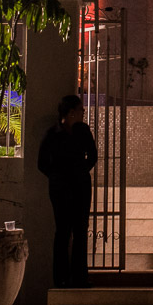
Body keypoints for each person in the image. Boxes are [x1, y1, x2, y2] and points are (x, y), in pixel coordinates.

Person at [37, 94, 97, 288]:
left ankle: (79, 278)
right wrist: (58, 177)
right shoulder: (52, 134)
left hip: (80, 186)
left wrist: (80, 172)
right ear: (71, 113)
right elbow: (42, 163)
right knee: (63, 231)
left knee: (80, 230)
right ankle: (61, 279)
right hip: (61, 188)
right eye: (81, 110)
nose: (83, 114)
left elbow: (93, 155)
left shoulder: (83, 131)